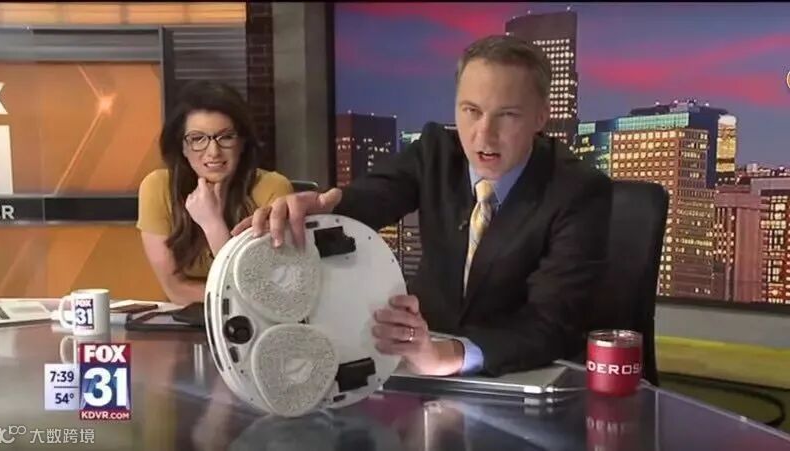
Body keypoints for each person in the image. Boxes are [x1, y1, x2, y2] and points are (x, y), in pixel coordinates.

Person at [233, 35, 612, 377]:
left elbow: (550, 323)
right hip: (419, 358)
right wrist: (319, 209)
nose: (484, 134)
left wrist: (450, 355)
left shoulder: (577, 190)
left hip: (521, 370)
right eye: (471, 111)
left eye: (507, 115)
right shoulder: (435, 152)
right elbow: (370, 199)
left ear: (541, 116)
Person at [137, 81, 294, 305]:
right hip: (185, 316)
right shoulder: (158, 187)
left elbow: (261, 292)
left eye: (226, 137)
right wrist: (234, 295)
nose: (213, 152)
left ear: (242, 143)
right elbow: (175, 289)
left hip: (255, 320)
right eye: (197, 139)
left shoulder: (273, 188)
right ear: (183, 147)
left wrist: (213, 225)